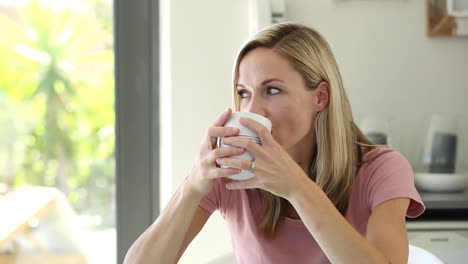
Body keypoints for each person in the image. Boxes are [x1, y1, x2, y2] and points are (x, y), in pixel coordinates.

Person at [124, 23, 425, 264]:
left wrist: (297, 188)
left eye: (272, 90)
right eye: (244, 93)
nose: (253, 110)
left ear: (320, 97)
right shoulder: (232, 170)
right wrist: (192, 187)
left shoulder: (381, 169)